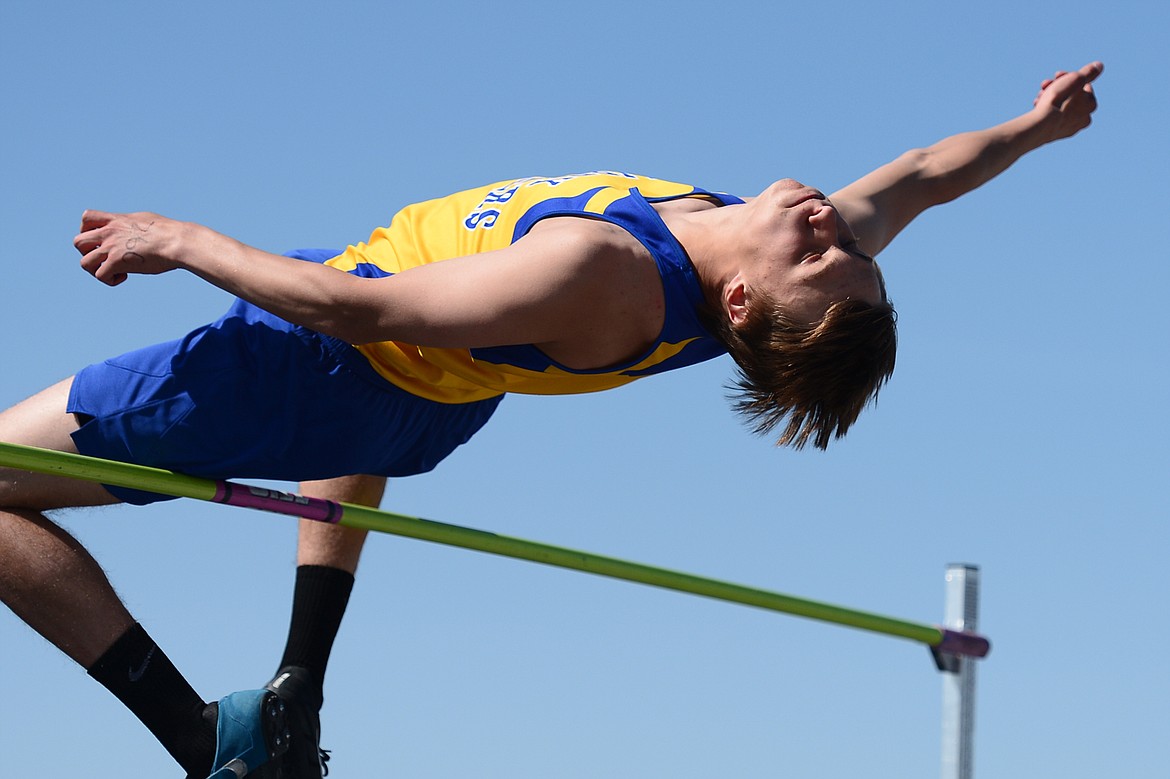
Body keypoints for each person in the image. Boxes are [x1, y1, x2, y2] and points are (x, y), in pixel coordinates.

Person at [0, 61, 1101, 778]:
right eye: (847, 247)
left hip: (307, 363)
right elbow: (921, 177)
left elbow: (353, 309)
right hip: (420, 414)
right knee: (377, 387)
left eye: (820, 254)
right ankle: (297, 692)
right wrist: (1036, 129)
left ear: (740, 308)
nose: (831, 224)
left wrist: (178, 237)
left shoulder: (601, 272)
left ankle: (198, 739)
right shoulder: (768, 268)